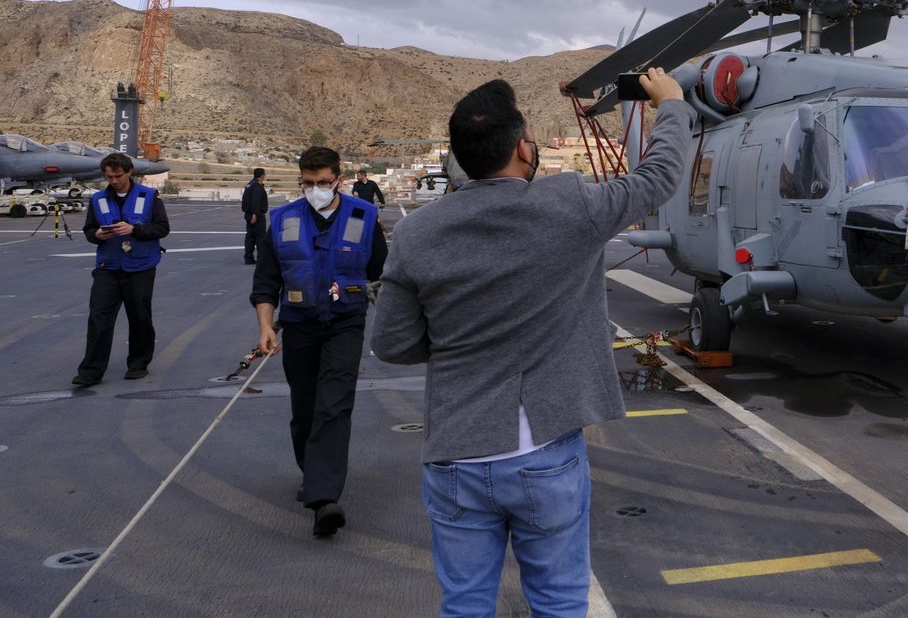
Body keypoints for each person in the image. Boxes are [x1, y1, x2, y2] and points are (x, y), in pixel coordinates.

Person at [372, 70, 688, 616]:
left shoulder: (417, 232)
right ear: (523, 148)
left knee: (465, 604)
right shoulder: (571, 205)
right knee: (560, 601)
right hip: (544, 450)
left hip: (456, 451)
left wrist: (459, 342)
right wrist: (674, 105)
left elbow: (395, 343)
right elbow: (658, 177)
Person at [250, 146, 386, 538]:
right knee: (305, 410)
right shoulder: (283, 219)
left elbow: (384, 272)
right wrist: (265, 327)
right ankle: (313, 474)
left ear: (338, 180)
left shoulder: (365, 215)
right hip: (299, 324)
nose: (316, 190)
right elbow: (266, 282)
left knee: (334, 405)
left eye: (323, 183)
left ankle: (324, 499)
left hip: (346, 321)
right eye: (308, 184)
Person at [73, 152, 170, 386]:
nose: (114, 181)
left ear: (129, 173)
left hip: (140, 266)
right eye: (109, 177)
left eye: (118, 176)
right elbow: (89, 231)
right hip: (108, 266)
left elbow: (162, 228)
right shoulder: (98, 200)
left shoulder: (149, 197)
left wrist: (134, 230)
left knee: (139, 316)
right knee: (99, 317)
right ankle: (91, 370)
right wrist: (96, 235)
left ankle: (138, 363)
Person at [242, 167, 269, 264]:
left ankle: (248, 258)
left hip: (248, 214)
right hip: (257, 215)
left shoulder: (249, 185)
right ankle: (262, 259)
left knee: (250, 236)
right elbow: (255, 201)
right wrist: (255, 214)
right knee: (260, 237)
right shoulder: (257, 186)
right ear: (262, 175)